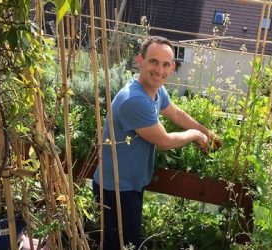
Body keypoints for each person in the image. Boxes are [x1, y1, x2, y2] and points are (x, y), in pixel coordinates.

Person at [92, 36, 220, 250]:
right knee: (124, 245)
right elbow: (164, 141)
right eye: (153, 61)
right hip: (115, 187)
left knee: (123, 243)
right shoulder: (135, 99)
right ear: (140, 60)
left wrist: (207, 132)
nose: (159, 69)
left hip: (129, 184)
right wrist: (195, 136)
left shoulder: (156, 89)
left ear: (172, 68)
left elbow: (176, 114)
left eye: (165, 64)